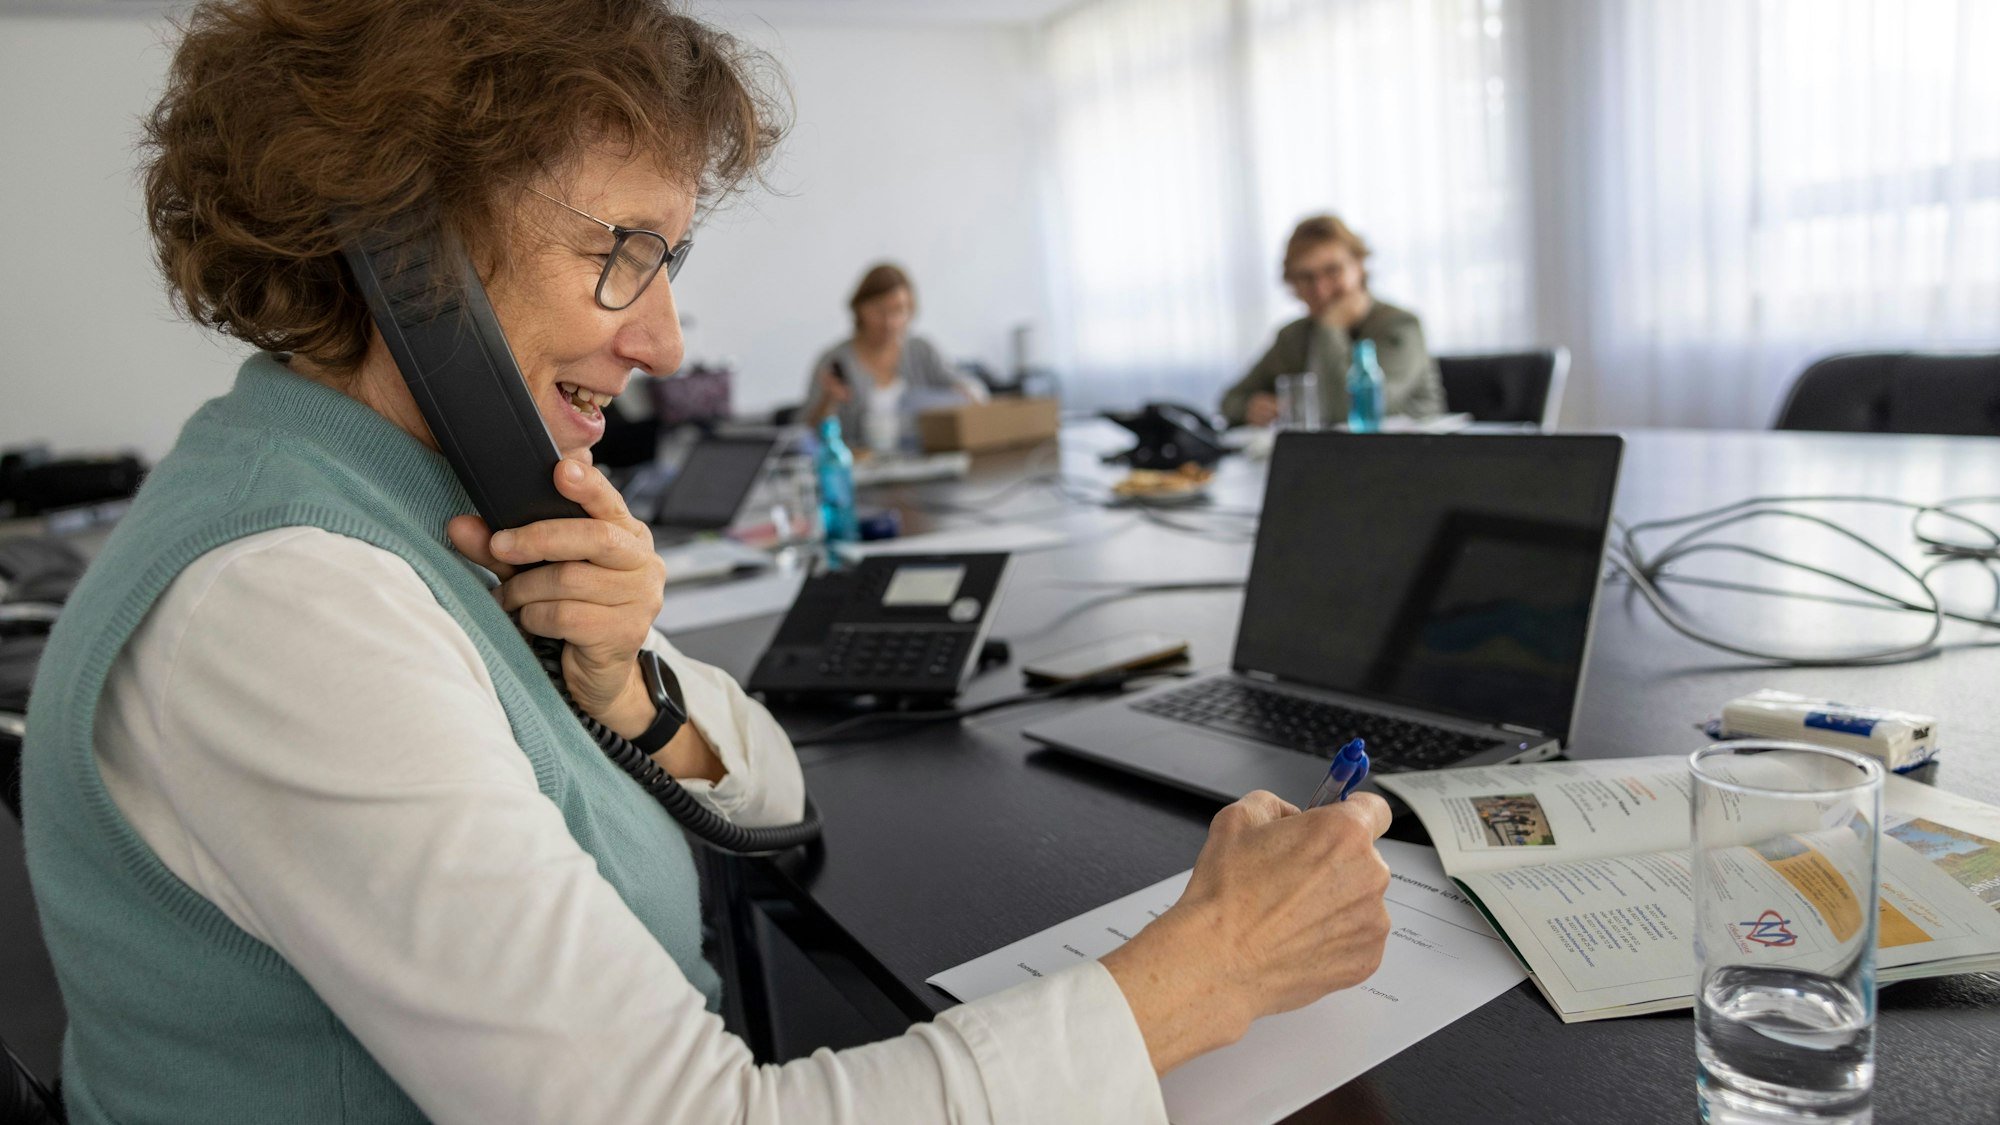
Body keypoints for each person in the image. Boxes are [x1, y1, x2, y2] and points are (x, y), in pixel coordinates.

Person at [20, 2, 1395, 1122]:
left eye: (667, 257)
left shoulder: (429, 501)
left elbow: (774, 788)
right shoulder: (291, 602)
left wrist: (621, 685)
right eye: (622, 253)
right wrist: (1204, 975)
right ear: (399, 251)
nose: (668, 342)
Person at [1220, 214, 1446, 427]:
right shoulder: (1293, 336)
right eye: (1306, 278)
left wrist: (1330, 328)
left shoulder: (1399, 326)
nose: (1321, 289)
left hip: (1405, 459)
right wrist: (1248, 407)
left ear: (1358, 266)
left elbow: (1345, 409)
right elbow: (1230, 400)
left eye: (1333, 271)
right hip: (1322, 459)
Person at [802, 263, 988, 454]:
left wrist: (966, 392)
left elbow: (973, 390)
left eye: (899, 311)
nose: (889, 322)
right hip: (861, 464)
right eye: (879, 311)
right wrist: (828, 401)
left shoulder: (921, 350)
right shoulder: (835, 360)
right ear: (860, 309)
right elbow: (805, 433)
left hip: (924, 456)